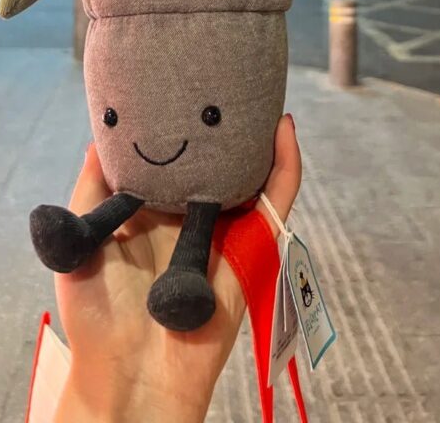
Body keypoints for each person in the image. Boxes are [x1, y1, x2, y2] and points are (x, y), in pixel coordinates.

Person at [52, 114, 301, 423]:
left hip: (195, 198)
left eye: (211, 116)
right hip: (155, 192)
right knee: (182, 214)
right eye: (111, 117)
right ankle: (82, 236)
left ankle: (175, 279)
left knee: (196, 218)